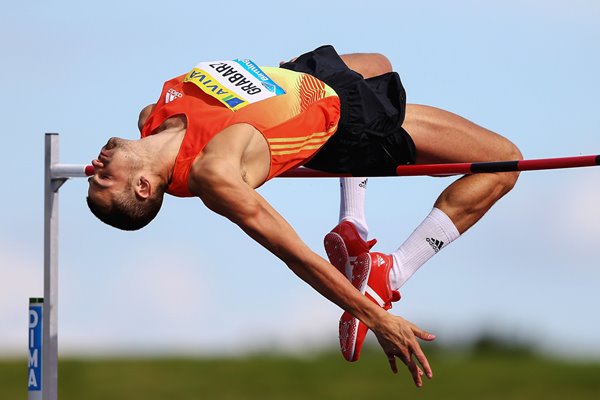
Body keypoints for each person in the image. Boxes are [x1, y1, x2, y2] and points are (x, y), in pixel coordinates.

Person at [87, 45, 522, 387]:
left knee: (378, 62)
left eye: (93, 176)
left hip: (301, 77)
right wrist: (377, 318)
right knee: (504, 161)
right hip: (345, 120)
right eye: (103, 181)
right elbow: (295, 254)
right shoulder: (214, 173)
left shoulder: (153, 116)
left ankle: (354, 226)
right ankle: (390, 274)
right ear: (144, 187)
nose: (95, 166)